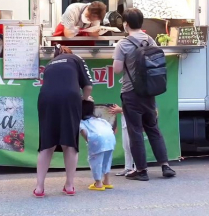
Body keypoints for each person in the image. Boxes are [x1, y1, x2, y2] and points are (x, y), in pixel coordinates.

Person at [113, 8, 176, 181]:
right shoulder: (150, 40)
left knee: (135, 132)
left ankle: (141, 170)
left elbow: (117, 69)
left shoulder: (123, 44)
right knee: (153, 129)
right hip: (149, 92)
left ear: (125, 24)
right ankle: (165, 165)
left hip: (131, 93)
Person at [34, 45, 93, 197]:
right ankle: (69, 185)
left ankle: (39, 188)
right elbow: (88, 87)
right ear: (69, 52)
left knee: (47, 143)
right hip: (69, 98)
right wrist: (85, 99)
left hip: (46, 99)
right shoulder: (76, 58)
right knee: (70, 142)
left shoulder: (49, 65)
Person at [80, 98, 117, 191]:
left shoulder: (81, 122)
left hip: (97, 140)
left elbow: (84, 132)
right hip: (110, 138)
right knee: (107, 160)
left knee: (96, 162)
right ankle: (107, 181)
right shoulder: (99, 120)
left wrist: (90, 143)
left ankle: (98, 183)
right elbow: (109, 128)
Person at [107, 104, 134, 176]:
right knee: (126, 146)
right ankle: (128, 168)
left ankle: (138, 169)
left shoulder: (136, 94)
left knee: (134, 147)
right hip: (125, 122)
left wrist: (121, 110)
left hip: (134, 123)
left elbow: (136, 108)